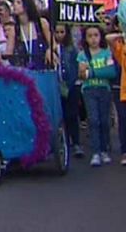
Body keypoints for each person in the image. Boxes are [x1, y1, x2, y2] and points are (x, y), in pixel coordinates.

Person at [77, 25, 116, 166]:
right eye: (90, 36)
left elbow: (111, 72)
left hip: (104, 89)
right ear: (85, 39)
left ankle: (104, 150)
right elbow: (81, 75)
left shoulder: (106, 53)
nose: (93, 39)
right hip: (89, 90)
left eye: (96, 35)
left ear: (100, 37)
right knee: (93, 120)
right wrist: (92, 72)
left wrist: (91, 72)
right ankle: (95, 152)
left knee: (104, 121)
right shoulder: (82, 55)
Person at [5, 0, 53, 70]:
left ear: (26, 5)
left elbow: (53, 44)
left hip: (43, 69)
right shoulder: (14, 29)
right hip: (24, 71)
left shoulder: (41, 23)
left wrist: (49, 50)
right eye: (14, 3)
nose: (14, 5)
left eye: (18, 2)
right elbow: (8, 54)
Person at [56, 24, 83, 158]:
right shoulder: (52, 49)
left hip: (70, 86)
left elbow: (74, 69)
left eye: (62, 32)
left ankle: (76, 142)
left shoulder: (72, 49)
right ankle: (65, 142)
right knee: (61, 116)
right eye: (57, 32)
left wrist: (69, 85)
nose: (59, 35)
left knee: (72, 115)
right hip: (56, 86)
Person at [105, 25, 126, 166]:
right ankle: (125, 152)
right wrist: (123, 35)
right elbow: (108, 38)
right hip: (124, 93)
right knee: (124, 122)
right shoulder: (123, 50)